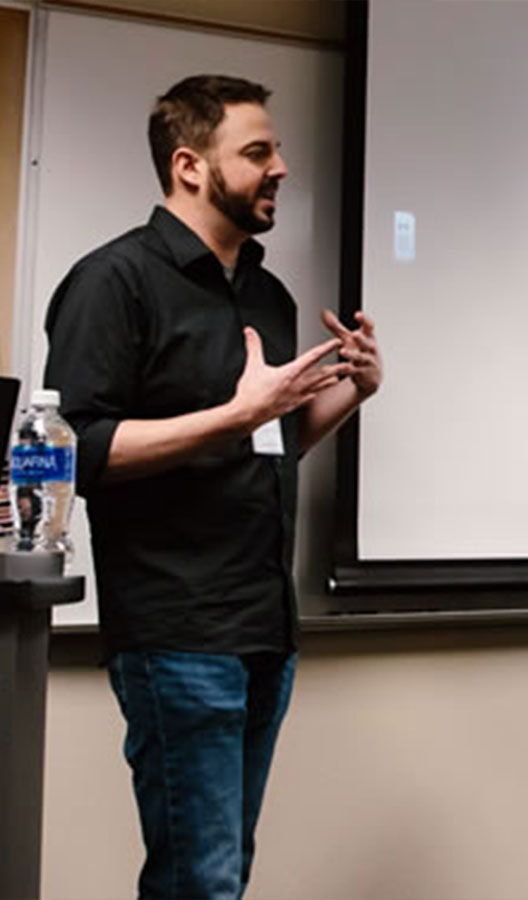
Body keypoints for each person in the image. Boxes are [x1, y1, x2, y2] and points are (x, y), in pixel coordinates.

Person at [42, 74, 383, 900]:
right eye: (258, 152)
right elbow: (77, 451)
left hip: (264, 624)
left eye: (277, 150)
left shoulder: (268, 294)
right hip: (176, 627)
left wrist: (352, 392)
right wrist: (236, 414)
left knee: (224, 872)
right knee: (201, 881)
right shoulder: (113, 281)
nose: (282, 168)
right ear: (190, 165)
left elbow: (267, 444)